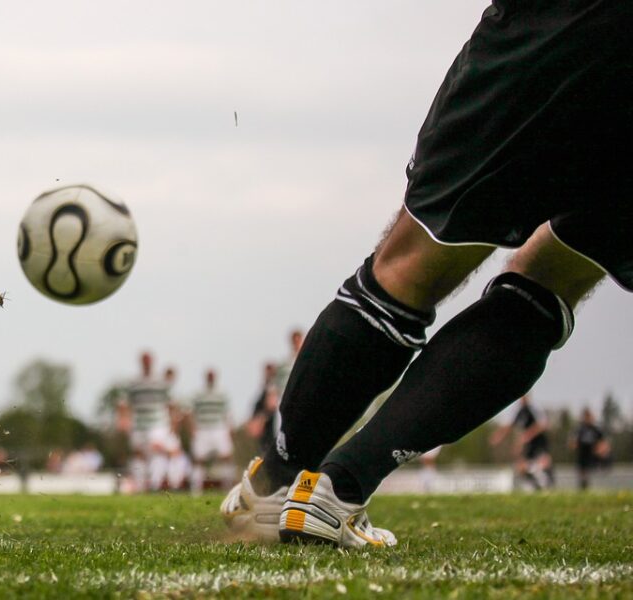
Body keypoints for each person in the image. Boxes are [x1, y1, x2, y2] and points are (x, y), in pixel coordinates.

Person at [223, 1, 631, 547]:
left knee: (410, 265)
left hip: (562, 18)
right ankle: (336, 491)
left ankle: (277, 485)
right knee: (556, 276)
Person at [115, 352, 177, 492]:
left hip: (157, 423)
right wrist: (123, 419)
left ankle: (154, 485)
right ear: (141, 362)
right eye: (144, 361)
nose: (147, 363)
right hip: (138, 424)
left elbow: (171, 403)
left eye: (149, 361)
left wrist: (173, 423)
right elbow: (124, 403)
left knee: (157, 450)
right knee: (139, 453)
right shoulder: (133, 382)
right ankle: (140, 486)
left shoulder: (161, 382)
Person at [490, 395, 555, 491]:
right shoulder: (519, 411)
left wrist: (528, 435)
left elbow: (543, 424)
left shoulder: (534, 408)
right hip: (528, 445)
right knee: (521, 467)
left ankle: (547, 485)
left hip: (539, 442)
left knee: (544, 463)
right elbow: (509, 426)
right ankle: (535, 486)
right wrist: (499, 436)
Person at [187, 369, 236, 494]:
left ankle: (228, 488)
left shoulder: (222, 394)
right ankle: (196, 490)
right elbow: (192, 412)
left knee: (227, 457)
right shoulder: (198, 394)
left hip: (219, 428)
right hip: (203, 428)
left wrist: (229, 429)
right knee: (199, 459)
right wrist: (193, 428)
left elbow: (228, 413)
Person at [570, 408, 609, 491]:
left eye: (589, 417)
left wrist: (600, 451)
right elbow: (573, 443)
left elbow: (604, 443)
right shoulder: (580, 429)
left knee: (593, 475)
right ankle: (584, 489)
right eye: (586, 417)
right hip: (583, 455)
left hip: (594, 456)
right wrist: (574, 444)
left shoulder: (596, 429)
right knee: (583, 476)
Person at [245, 362, 279, 455]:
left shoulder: (273, 385)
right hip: (266, 427)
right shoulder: (265, 386)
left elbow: (271, 406)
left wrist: (260, 420)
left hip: (271, 425)